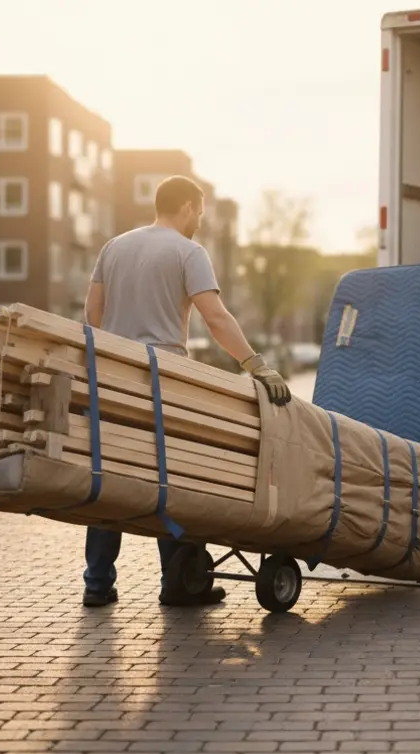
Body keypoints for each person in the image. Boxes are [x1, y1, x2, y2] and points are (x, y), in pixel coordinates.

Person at [80, 174, 292, 608]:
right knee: (170, 478)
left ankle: (97, 584)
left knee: (110, 474)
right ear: (189, 207)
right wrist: (255, 365)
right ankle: (177, 583)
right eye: (200, 212)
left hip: (112, 374)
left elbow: (92, 313)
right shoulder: (188, 251)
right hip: (161, 379)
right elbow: (215, 317)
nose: (200, 221)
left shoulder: (114, 247)